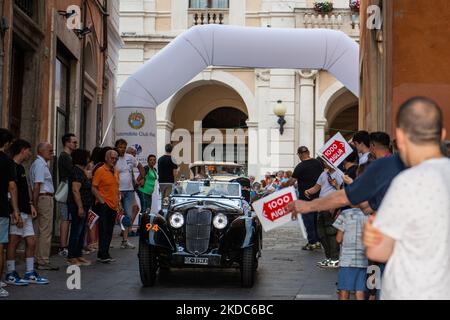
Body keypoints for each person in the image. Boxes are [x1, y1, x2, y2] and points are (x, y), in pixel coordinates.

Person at [363, 97, 450, 300]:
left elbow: (379, 252)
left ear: (401, 138)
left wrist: (370, 236)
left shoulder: (408, 182)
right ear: (442, 134)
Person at [5, 139, 49, 286]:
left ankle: (30, 272)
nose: (30, 153)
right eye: (29, 150)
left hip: (26, 210)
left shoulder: (21, 168)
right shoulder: (10, 166)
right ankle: (10, 273)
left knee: (31, 241)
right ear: (23, 150)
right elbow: (10, 191)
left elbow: (25, 190)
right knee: (14, 241)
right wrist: (14, 211)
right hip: (16, 211)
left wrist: (31, 204)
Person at [305, 160, 343, 267]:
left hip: (331, 206)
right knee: (321, 233)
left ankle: (335, 258)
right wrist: (308, 191)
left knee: (331, 233)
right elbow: (316, 188)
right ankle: (328, 257)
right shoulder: (323, 174)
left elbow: (343, 191)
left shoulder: (339, 174)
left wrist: (335, 185)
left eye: (327, 161)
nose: (325, 163)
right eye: (325, 161)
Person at [30, 142, 59, 271]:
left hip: (42, 198)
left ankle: (37, 259)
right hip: (44, 198)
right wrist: (34, 204)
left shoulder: (38, 164)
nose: (52, 153)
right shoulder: (40, 165)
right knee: (46, 231)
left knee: (39, 230)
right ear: (41, 151)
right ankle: (43, 260)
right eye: (50, 151)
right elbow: (37, 185)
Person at [0, 129, 20, 298]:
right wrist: (16, 210)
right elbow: (12, 186)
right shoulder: (7, 161)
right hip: (1, 208)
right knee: (0, 247)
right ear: (6, 144)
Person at [333, 206, 369, 300]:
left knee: (344, 291)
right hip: (363, 260)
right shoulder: (369, 215)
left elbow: (338, 239)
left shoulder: (345, 214)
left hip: (347, 260)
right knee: (360, 292)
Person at [92, 149, 121, 263]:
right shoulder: (100, 170)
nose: (114, 160)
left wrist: (119, 203)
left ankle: (103, 253)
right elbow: (93, 187)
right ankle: (104, 254)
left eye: (116, 158)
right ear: (106, 158)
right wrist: (101, 201)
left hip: (113, 205)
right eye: (112, 158)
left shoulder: (115, 171)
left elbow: (116, 189)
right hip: (104, 205)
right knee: (104, 230)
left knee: (109, 230)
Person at [115, 139, 145, 249]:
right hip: (117, 191)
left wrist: (141, 178)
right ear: (116, 147)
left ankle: (125, 240)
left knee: (127, 214)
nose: (122, 149)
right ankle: (108, 241)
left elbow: (141, 167)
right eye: (120, 147)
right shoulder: (114, 158)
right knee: (118, 215)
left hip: (129, 191)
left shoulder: (130, 157)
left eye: (124, 147)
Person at [292, 146, 323, 251]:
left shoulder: (300, 166)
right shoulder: (318, 163)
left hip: (306, 197)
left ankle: (312, 243)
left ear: (300, 154)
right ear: (308, 152)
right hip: (318, 196)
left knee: (308, 221)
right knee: (315, 221)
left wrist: (284, 185)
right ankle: (318, 242)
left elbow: (292, 181)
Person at [67, 149, 93, 266]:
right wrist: (80, 207)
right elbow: (75, 190)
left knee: (81, 231)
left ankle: (78, 254)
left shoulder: (81, 171)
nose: (88, 160)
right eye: (87, 158)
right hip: (78, 206)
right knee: (76, 231)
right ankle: (71, 256)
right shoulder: (76, 171)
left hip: (85, 205)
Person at [57, 133, 78, 257]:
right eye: (74, 142)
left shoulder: (68, 156)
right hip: (66, 190)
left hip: (69, 190)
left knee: (67, 219)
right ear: (67, 143)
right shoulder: (65, 157)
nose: (76, 144)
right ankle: (63, 246)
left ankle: (65, 245)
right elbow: (72, 172)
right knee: (65, 218)